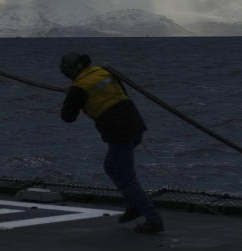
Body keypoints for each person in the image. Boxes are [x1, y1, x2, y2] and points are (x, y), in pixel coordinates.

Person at [59, 52, 164, 234]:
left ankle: (153, 219)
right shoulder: (104, 72)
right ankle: (133, 205)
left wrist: (71, 96)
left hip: (118, 132)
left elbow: (67, 117)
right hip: (135, 124)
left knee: (126, 175)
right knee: (111, 167)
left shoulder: (79, 87)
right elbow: (119, 92)